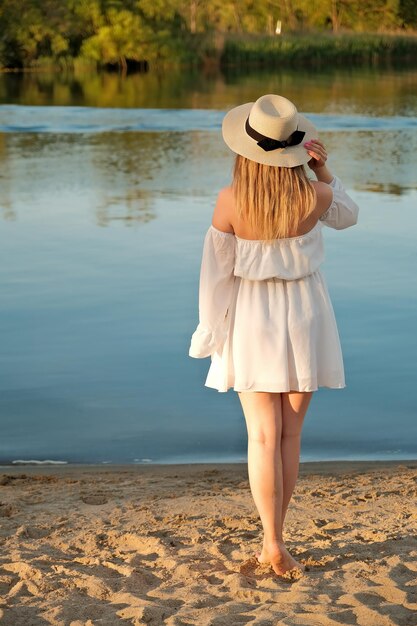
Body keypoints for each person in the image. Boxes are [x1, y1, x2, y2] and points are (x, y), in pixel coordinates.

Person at [188, 94, 359, 577]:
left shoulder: (230, 201)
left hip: (253, 322)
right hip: (306, 317)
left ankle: (273, 543)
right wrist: (324, 172)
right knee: (290, 436)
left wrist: (210, 334)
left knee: (262, 437)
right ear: (296, 149)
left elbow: (214, 280)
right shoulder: (317, 196)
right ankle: (276, 543)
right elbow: (349, 214)